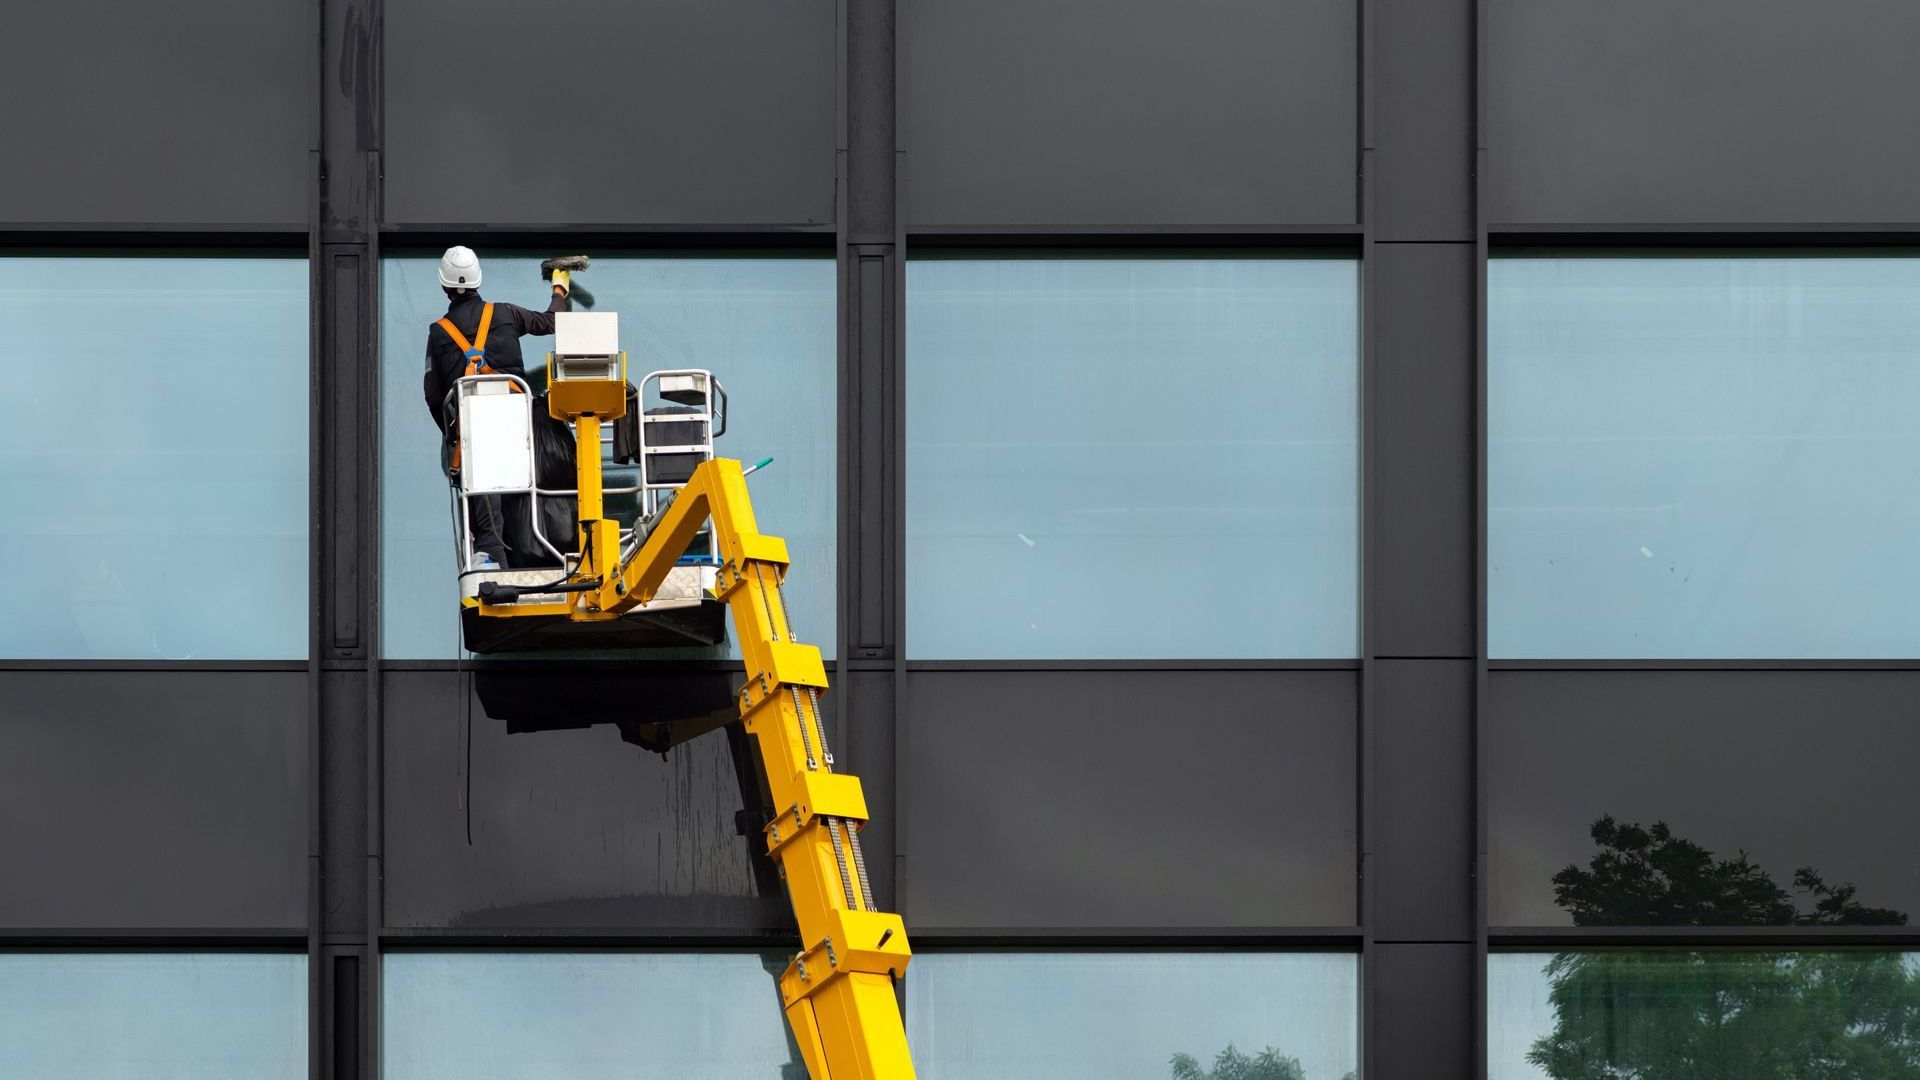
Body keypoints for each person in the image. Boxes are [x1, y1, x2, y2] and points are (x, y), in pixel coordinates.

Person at [421, 246, 573, 570]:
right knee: (523, 488)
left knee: (485, 499)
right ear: (478, 281)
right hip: (520, 428)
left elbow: (433, 397)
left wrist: (453, 434)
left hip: (478, 437)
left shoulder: (438, 333)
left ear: (445, 286)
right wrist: (559, 288)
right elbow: (551, 321)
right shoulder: (505, 313)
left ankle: (495, 561)